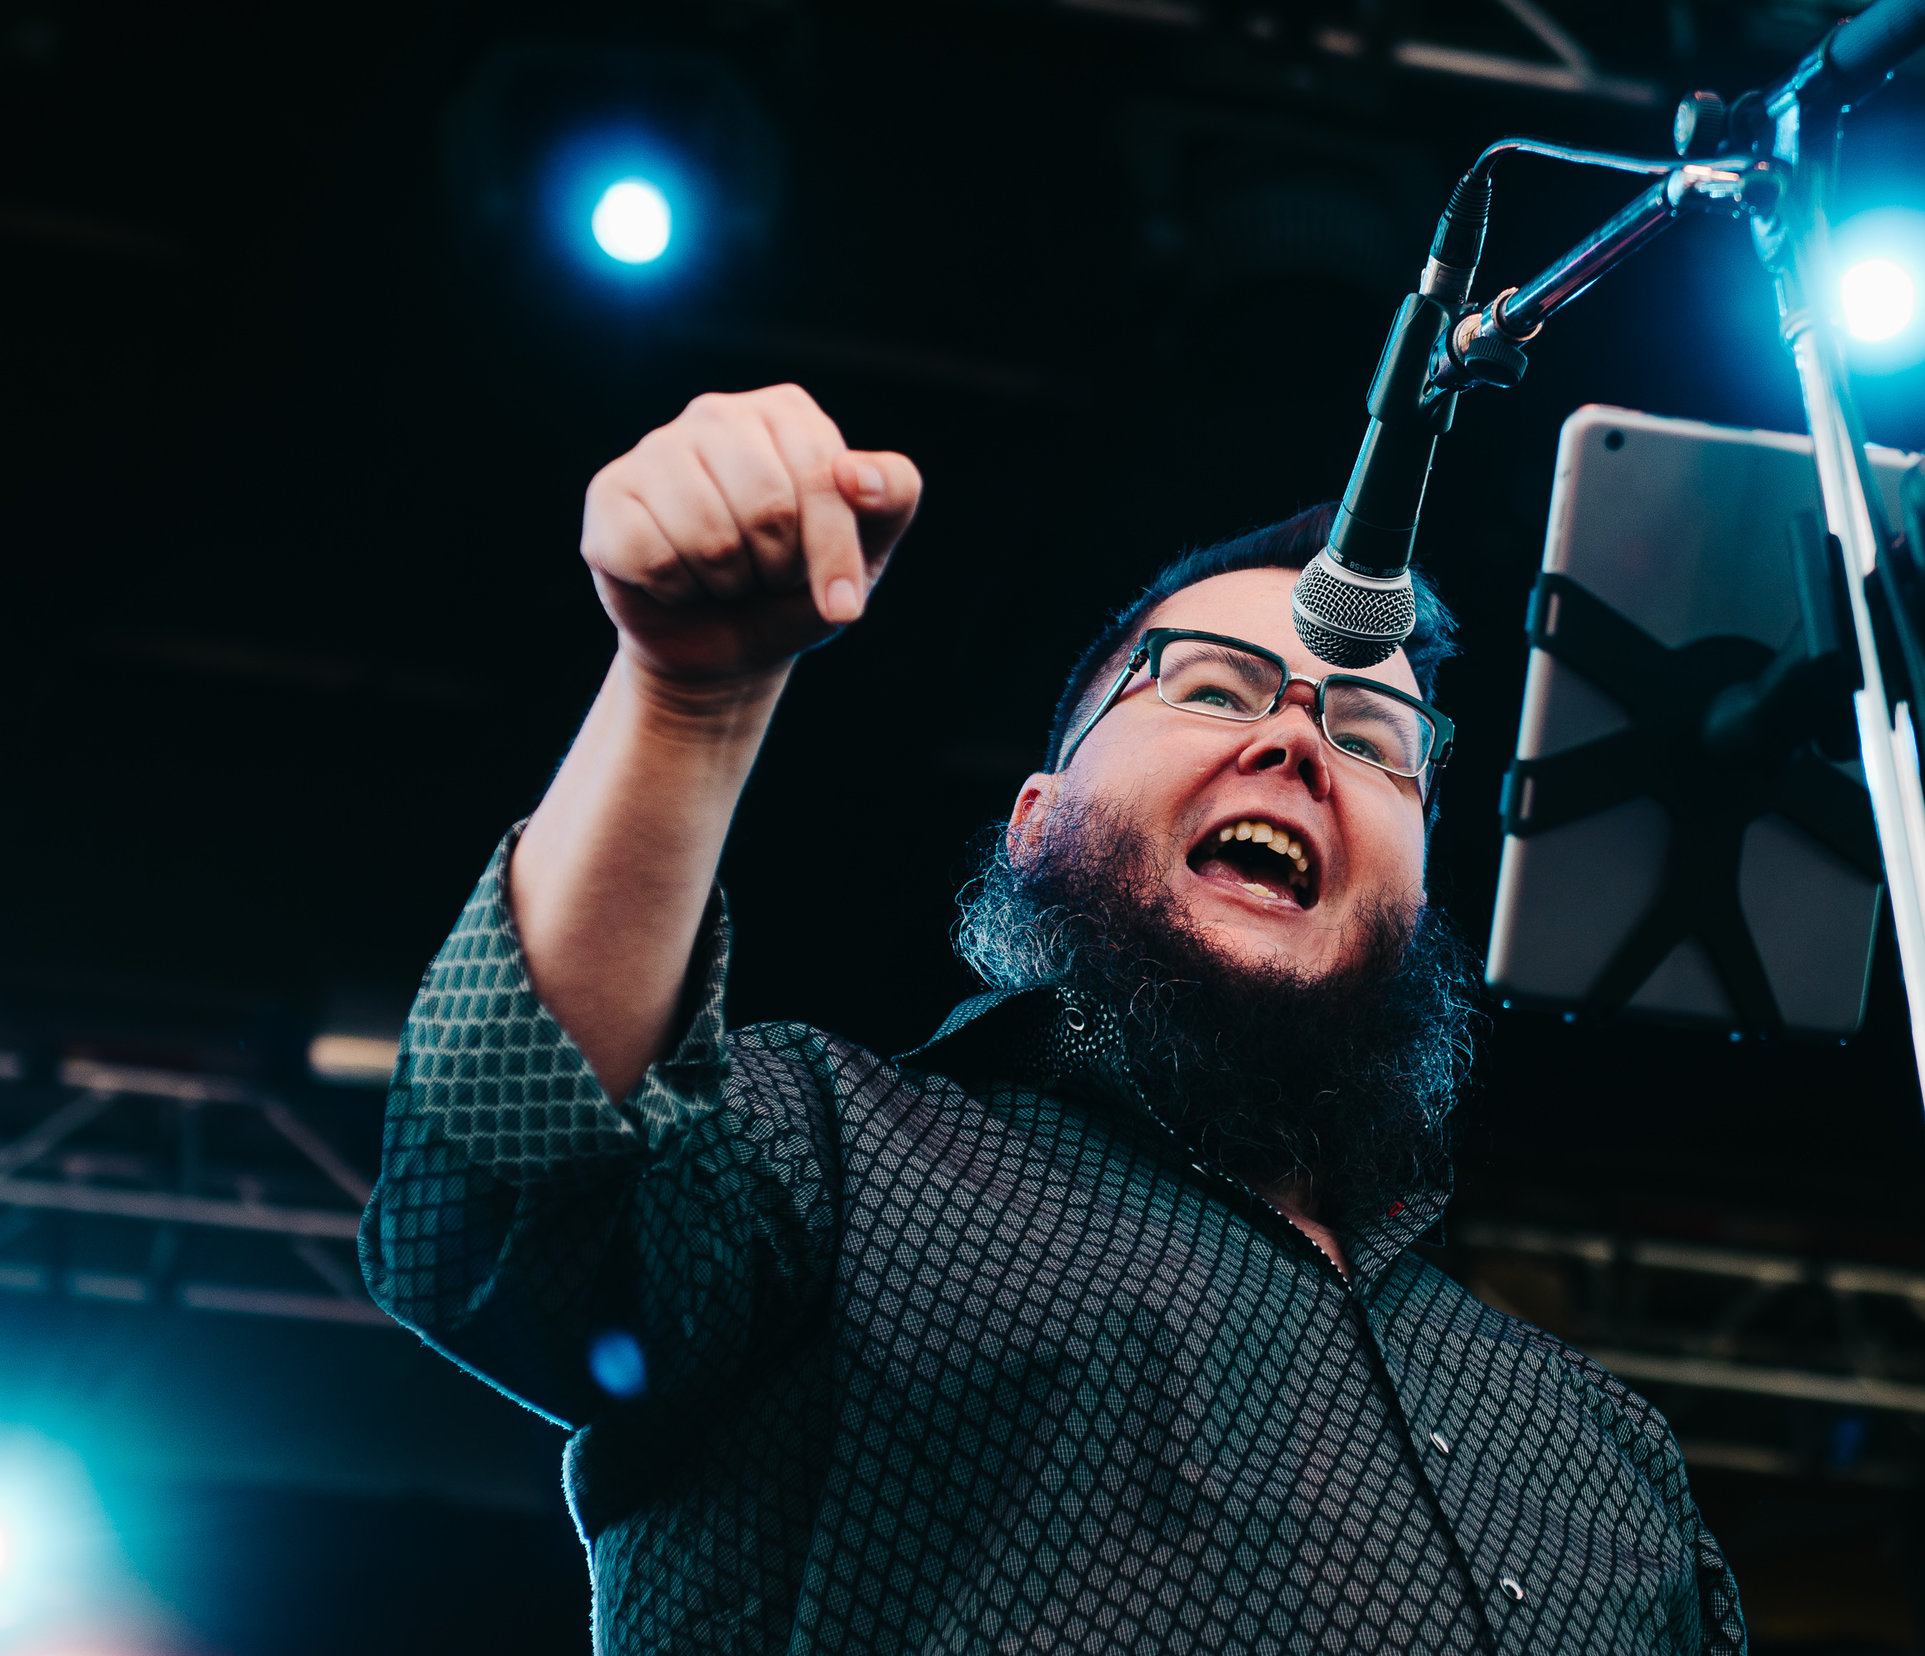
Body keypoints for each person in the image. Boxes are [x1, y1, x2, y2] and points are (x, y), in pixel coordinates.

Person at [361, 384, 1747, 1654]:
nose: (1299, 743)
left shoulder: (1602, 1449)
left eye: (1376, 744)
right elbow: (504, 1208)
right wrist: (684, 699)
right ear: (1038, 821)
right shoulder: (832, 1158)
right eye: (1212, 686)